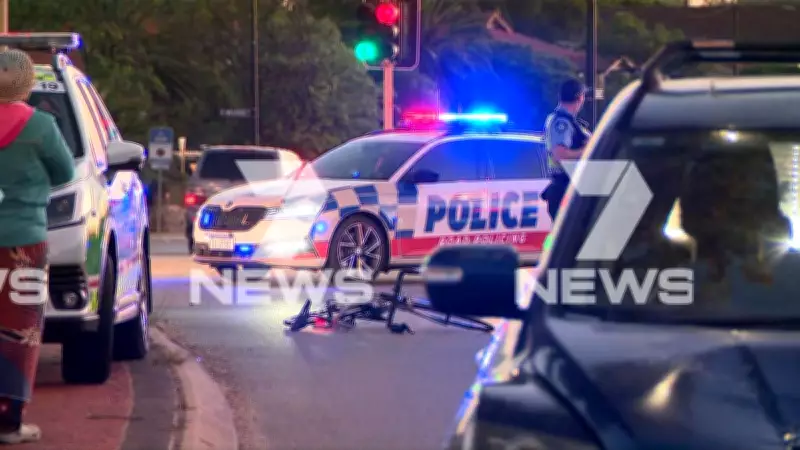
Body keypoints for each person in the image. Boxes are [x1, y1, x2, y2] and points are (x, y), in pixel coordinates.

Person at [0, 49, 75, 444]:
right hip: (24, 240)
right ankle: (9, 421)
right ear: (27, 85)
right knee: (21, 328)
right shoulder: (41, 126)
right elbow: (64, 171)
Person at [542, 78, 592, 221]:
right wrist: (588, 150)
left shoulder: (570, 122)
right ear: (579, 97)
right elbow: (560, 155)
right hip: (564, 187)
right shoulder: (561, 123)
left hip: (571, 187)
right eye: (583, 96)